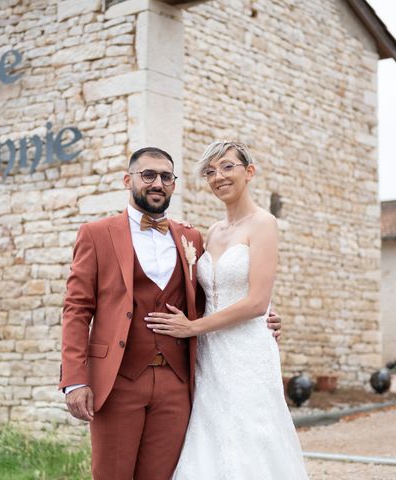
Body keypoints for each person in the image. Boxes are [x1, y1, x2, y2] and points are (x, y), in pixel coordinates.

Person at [59, 147, 282, 480]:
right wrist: (74, 380)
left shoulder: (190, 236)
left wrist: (265, 314)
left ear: (174, 185)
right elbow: (76, 309)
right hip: (118, 380)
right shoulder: (96, 234)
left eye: (166, 177)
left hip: (176, 384)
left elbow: (215, 293)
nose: (157, 183)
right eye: (148, 175)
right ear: (128, 180)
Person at [145, 141, 310, 479]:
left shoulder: (264, 224)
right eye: (210, 171)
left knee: (251, 436)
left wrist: (192, 328)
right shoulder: (213, 232)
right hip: (211, 353)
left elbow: (256, 303)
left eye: (227, 167)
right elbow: (207, 293)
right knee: (209, 436)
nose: (218, 176)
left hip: (247, 351)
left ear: (249, 172)